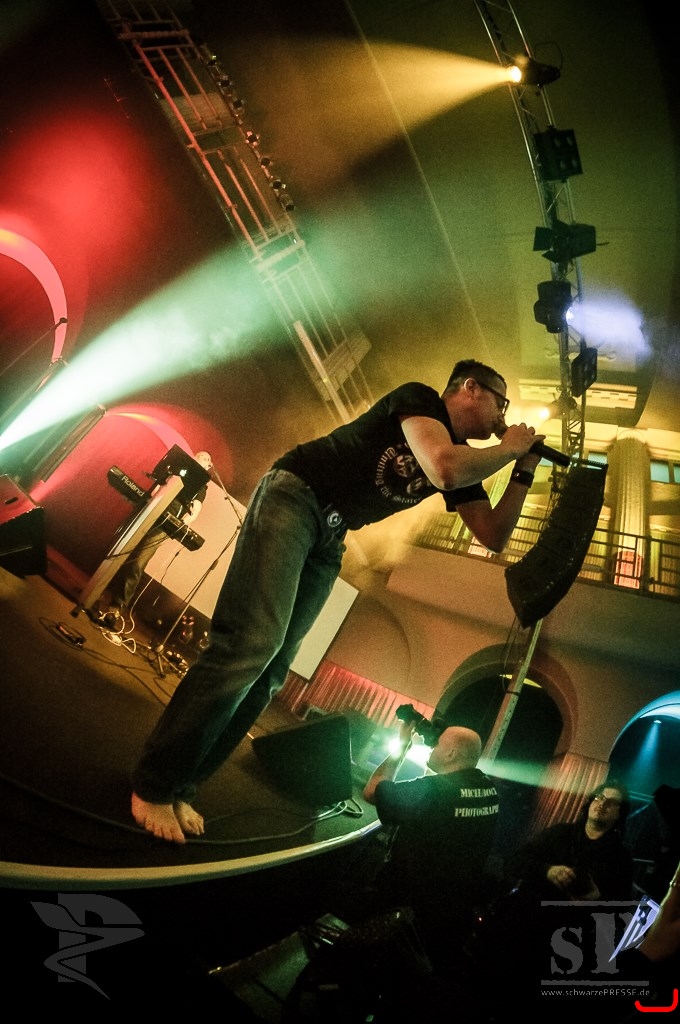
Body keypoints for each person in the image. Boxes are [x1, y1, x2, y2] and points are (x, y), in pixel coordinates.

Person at [130, 359, 545, 843]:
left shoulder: (467, 458)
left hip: (330, 534)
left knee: (273, 671)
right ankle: (154, 785)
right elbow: (443, 469)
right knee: (250, 645)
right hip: (296, 496)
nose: (502, 415)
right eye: (500, 402)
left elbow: (493, 533)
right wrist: (509, 446)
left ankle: (184, 785)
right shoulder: (419, 400)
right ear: (470, 388)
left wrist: (523, 469)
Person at [361, 717, 500, 972]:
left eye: (437, 744)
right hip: (449, 912)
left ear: (451, 754)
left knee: (377, 967)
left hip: (406, 908)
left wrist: (402, 746)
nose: (432, 747)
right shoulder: (489, 791)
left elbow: (372, 791)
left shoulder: (436, 790)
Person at [94, 450, 213, 629]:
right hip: (151, 510)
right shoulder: (178, 470)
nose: (200, 460)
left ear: (208, 466)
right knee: (120, 550)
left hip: (165, 524)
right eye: (198, 457)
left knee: (137, 564)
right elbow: (157, 489)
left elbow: (194, 512)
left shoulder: (201, 487)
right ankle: (96, 593)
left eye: (205, 459)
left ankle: (116, 608)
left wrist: (178, 524)